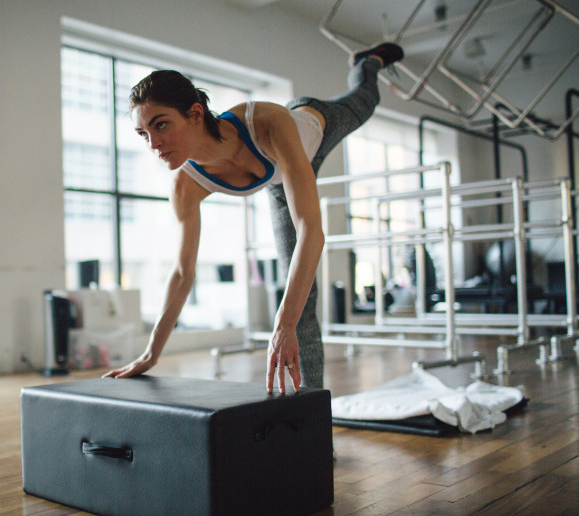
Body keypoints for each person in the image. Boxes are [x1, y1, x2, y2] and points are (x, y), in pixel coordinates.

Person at [103, 43, 404, 394]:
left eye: (161, 125)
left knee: (366, 100)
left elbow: (312, 231)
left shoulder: (266, 122)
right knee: (301, 303)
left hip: (311, 129)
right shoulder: (186, 185)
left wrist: (282, 322)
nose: (153, 144)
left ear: (196, 114)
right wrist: (151, 352)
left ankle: (366, 63)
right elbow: (184, 273)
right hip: (279, 183)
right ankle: (312, 424)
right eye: (143, 134)